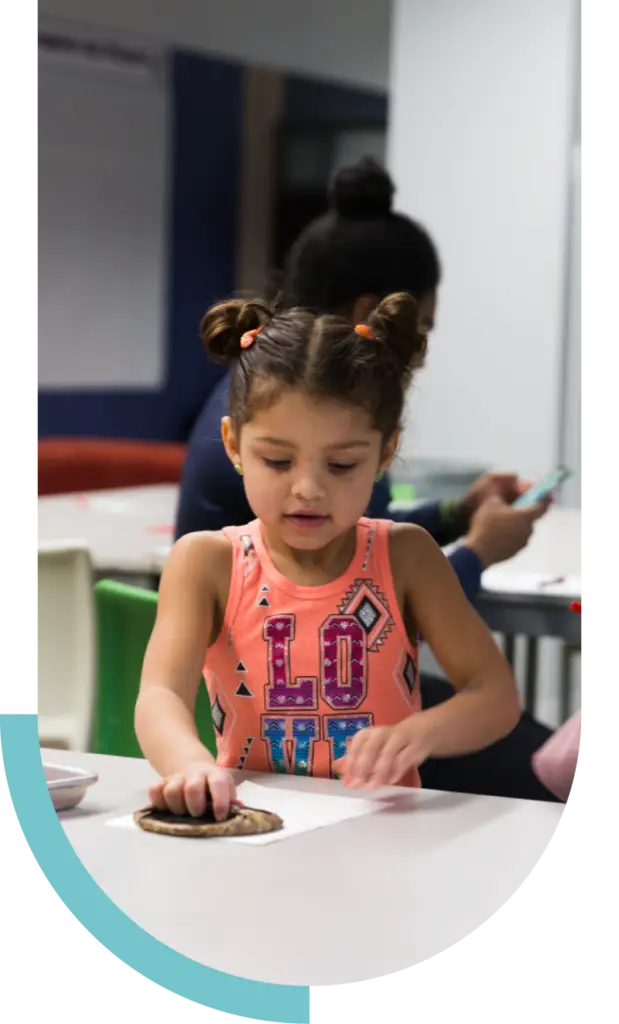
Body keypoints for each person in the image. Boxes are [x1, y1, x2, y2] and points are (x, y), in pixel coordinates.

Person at [136, 292, 523, 820]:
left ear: (385, 453)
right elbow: (161, 694)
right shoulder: (207, 563)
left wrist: (419, 733)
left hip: (380, 834)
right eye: (276, 460)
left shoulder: (406, 556)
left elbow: (494, 694)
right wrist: (189, 762)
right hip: (254, 827)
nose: (308, 488)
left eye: (341, 465)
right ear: (233, 445)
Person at [175, 158, 547, 605]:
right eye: (419, 329)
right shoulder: (312, 420)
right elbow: (357, 618)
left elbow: (362, 541)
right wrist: (478, 552)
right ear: (367, 314)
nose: (418, 358)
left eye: (343, 466)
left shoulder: (268, 399)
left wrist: (459, 514)